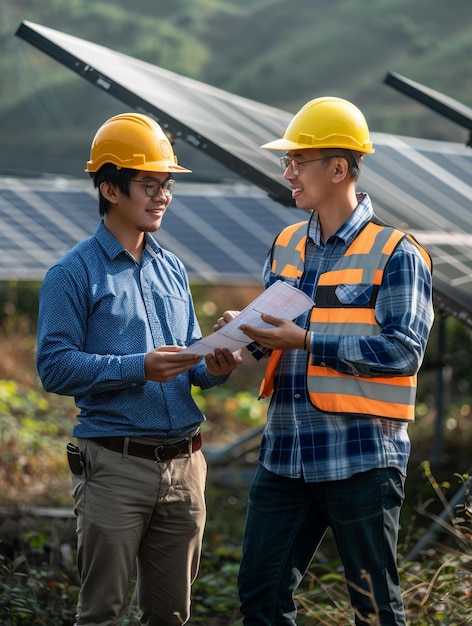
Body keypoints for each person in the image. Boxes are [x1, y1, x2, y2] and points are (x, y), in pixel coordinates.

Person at [215, 97, 434, 625]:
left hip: (361, 457)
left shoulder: (397, 252)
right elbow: (275, 337)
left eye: (298, 162)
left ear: (340, 168)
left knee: (375, 608)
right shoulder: (285, 244)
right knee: (260, 598)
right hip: (285, 452)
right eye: (286, 162)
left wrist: (309, 339)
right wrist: (242, 333)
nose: (287, 173)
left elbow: (404, 351)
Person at [36, 112, 242, 626]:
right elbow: (55, 368)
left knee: (171, 615)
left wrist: (215, 362)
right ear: (109, 188)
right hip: (114, 467)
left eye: (166, 184)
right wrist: (138, 367)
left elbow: (191, 366)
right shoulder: (71, 273)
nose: (162, 195)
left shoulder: (170, 267)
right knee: (101, 612)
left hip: (185, 467)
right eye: (149, 184)